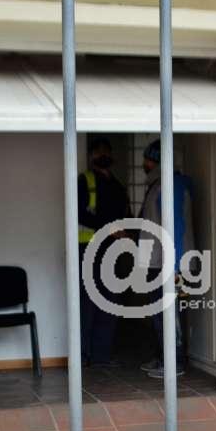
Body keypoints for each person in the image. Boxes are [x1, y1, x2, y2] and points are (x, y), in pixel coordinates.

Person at [138, 139, 194, 378]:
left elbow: (176, 227)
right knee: (158, 314)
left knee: (172, 314)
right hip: (156, 262)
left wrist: (175, 266)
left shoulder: (171, 185)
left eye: (149, 160)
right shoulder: (157, 185)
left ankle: (175, 362)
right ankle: (163, 357)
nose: (145, 164)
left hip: (171, 263)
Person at [77, 137, 131, 367]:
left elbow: (126, 215)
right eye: (98, 152)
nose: (103, 155)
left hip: (113, 251)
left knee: (110, 302)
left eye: (106, 152)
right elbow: (80, 214)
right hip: (88, 249)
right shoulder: (84, 181)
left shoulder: (118, 186)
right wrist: (110, 230)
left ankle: (102, 355)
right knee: (87, 303)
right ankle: (83, 355)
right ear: (90, 156)